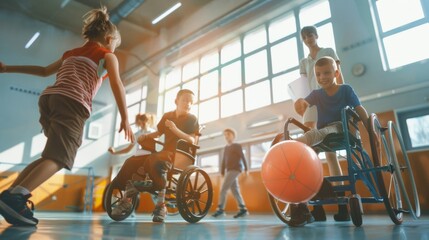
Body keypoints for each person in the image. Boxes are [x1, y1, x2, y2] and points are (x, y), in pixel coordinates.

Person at [0, 7, 134, 226]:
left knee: (49, 156)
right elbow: (117, 83)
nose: (114, 49)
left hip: (49, 100)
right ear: (109, 39)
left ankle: (12, 194)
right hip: (72, 103)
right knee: (60, 158)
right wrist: (125, 117)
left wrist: (7, 69)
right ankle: (16, 197)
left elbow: (43, 71)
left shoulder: (71, 53)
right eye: (115, 45)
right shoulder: (107, 55)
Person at [289, 56, 369, 227]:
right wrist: (299, 103)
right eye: (318, 74)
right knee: (307, 156)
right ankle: (304, 205)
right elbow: (304, 102)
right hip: (325, 133)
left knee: (320, 132)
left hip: (341, 127)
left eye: (326, 73)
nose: (322, 77)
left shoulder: (345, 90)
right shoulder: (317, 94)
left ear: (336, 73)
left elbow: (359, 109)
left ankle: (294, 144)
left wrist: (370, 129)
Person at [111, 89, 199, 223]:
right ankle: (127, 194)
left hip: (182, 155)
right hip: (165, 153)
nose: (188, 103)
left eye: (191, 102)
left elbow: (192, 140)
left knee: (154, 159)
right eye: (185, 100)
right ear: (177, 101)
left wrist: (174, 129)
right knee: (133, 161)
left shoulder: (192, 119)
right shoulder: (167, 115)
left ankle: (159, 205)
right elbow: (158, 133)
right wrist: (145, 136)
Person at [297, 25, 346, 221]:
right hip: (311, 103)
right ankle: (316, 204)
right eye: (305, 36)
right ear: (303, 40)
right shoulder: (303, 61)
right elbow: (302, 85)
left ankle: (342, 204)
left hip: (329, 100)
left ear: (316, 36)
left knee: (331, 154)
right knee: (310, 154)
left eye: (310, 34)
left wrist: (341, 97)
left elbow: (338, 75)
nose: (308, 38)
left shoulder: (328, 52)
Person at [212, 128, 249, 218]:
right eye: (225, 135)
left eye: (228, 134)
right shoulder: (226, 148)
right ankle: (243, 209)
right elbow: (224, 160)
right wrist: (222, 171)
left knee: (223, 189)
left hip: (235, 169)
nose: (226, 136)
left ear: (233, 135)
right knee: (235, 190)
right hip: (229, 170)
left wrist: (246, 169)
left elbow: (242, 156)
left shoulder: (236, 146)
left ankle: (220, 209)